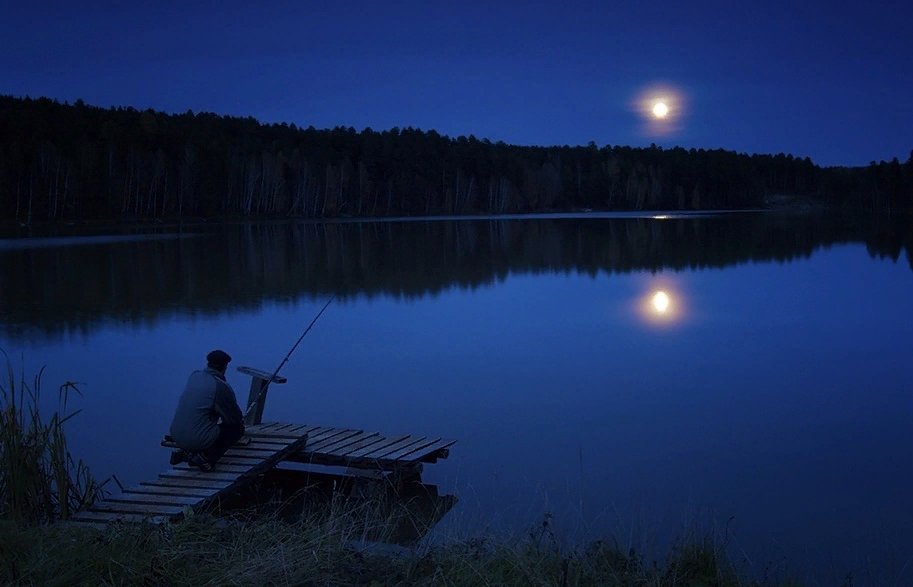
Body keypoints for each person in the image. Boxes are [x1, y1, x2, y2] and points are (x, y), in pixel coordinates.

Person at [169, 350, 245, 471]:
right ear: (225, 367)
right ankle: (205, 457)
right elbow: (234, 419)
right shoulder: (220, 386)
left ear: (208, 364)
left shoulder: (194, 376)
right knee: (237, 429)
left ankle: (192, 452)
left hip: (176, 434)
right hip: (195, 439)